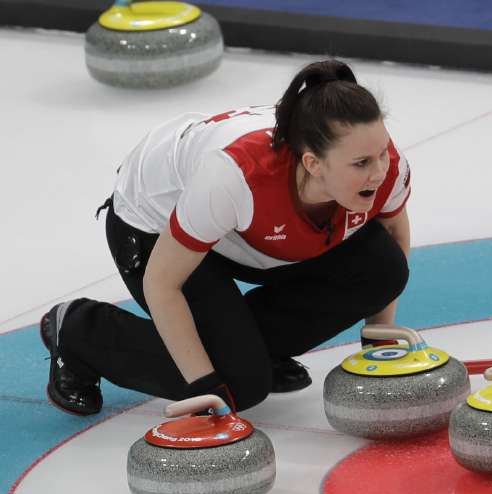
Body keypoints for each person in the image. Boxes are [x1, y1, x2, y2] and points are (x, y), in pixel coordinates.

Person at [40, 59, 411, 415]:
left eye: (381, 154)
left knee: (381, 268)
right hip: (154, 225)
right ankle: (80, 331)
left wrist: (381, 334)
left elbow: (392, 234)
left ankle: (249, 350)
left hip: (244, 233)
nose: (379, 172)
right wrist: (207, 385)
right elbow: (162, 282)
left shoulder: (383, 165)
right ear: (313, 163)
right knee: (241, 384)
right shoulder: (235, 177)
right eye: (362, 163)